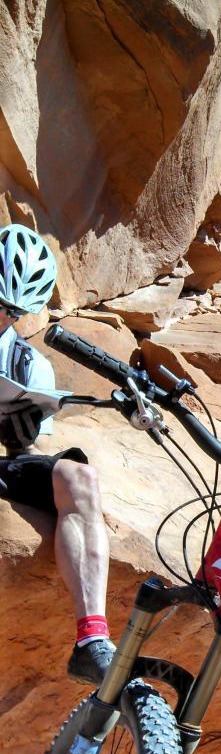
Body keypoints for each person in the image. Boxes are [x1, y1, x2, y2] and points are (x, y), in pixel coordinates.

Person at [0, 224, 114, 684]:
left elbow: (26, 452)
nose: (0, 316)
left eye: (11, 310)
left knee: (78, 478)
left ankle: (92, 639)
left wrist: (20, 433)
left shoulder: (30, 366)